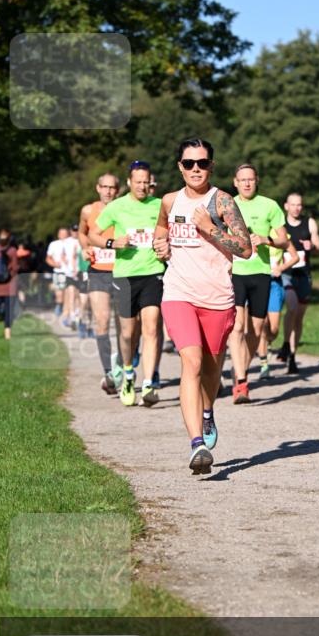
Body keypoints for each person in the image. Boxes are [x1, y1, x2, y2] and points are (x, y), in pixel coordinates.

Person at [153, 138, 252, 473]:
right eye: (189, 163)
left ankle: (208, 412)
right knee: (191, 363)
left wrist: (210, 229)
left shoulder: (222, 202)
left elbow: (245, 248)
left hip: (218, 298)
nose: (196, 169)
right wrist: (160, 246)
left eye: (203, 163)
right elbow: (161, 229)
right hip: (178, 293)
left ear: (212, 165)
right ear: (179, 166)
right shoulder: (169, 200)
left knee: (211, 371)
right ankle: (197, 445)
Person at [88, 160, 163, 407]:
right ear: (129, 182)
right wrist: (113, 243)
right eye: (138, 182)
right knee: (129, 333)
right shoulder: (117, 207)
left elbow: (169, 233)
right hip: (124, 275)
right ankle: (129, 372)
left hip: (153, 272)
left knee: (151, 327)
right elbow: (93, 234)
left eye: (146, 182)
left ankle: (150, 382)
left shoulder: (159, 205)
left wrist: (166, 246)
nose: (142, 186)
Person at [228, 163, 289, 404]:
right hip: (235, 272)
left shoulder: (269, 205)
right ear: (235, 182)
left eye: (251, 179)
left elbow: (284, 241)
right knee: (237, 327)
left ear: (257, 180)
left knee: (255, 329)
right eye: (242, 180)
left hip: (261, 273)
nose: (246, 183)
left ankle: (240, 368)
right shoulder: (227, 205)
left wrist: (266, 239)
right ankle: (242, 381)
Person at [78, 173, 124, 392]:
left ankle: (122, 367)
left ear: (118, 190)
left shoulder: (124, 209)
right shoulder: (88, 210)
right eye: (104, 187)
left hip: (123, 271)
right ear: (97, 188)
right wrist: (84, 247)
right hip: (98, 271)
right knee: (102, 320)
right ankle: (108, 373)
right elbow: (81, 231)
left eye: (112, 188)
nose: (108, 191)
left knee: (125, 326)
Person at [277, 193, 319, 375]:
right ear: (286, 206)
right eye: (293, 205)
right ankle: (286, 344)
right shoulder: (280, 224)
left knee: (298, 317)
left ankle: (292, 356)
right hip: (287, 273)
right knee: (292, 308)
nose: (296, 208)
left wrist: (313, 246)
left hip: (304, 275)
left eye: (299, 205)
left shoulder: (309, 223)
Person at [257, 234, 299, 379]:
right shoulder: (254, 230)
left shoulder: (282, 235)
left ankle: (268, 342)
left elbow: (295, 257)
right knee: (262, 323)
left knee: (273, 329)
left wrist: (280, 268)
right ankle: (264, 365)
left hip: (275, 283)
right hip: (258, 281)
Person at [45, 227, 69, 317]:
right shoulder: (53, 244)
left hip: (70, 272)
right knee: (59, 292)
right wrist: (55, 264)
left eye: (65, 234)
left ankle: (67, 310)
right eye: (61, 234)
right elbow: (48, 258)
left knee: (68, 291)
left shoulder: (73, 243)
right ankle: (59, 306)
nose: (63, 236)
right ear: (58, 235)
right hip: (58, 271)